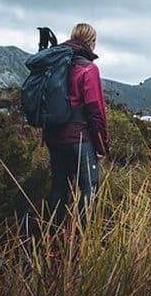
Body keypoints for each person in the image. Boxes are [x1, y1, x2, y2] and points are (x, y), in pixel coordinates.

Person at [44, 23, 110, 223]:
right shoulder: (88, 69)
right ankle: (82, 241)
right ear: (92, 42)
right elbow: (94, 109)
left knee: (59, 188)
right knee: (90, 189)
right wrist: (101, 145)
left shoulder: (55, 64)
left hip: (54, 137)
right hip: (79, 139)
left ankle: (51, 237)